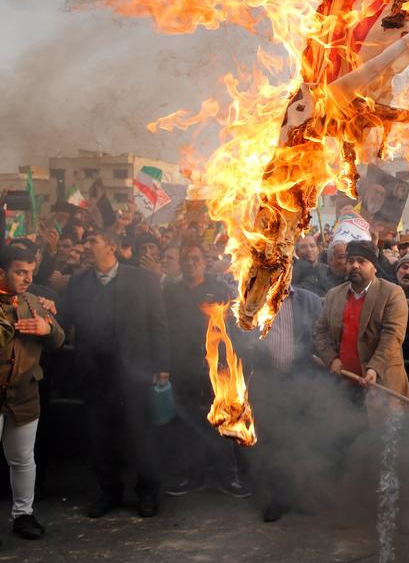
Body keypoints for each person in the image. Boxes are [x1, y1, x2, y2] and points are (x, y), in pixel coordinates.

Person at [61, 229, 170, 518]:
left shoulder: (142, 279)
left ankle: (147, 493)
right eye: (85, 241)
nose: (86, 246)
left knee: (141, 436)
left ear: (110, 245)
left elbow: (157, 324)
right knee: (100, 438)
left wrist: (161, 366)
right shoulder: (79, 282)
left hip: (135, 373)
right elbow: (65, 318)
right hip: (95, 374)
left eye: (92, 241)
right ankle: (108, 492)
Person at [161, 243, 249, 499]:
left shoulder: (218, 288)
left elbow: (232, 326)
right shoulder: (170, 292)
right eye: (186, 258)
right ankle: (193, 476)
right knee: (187, 423)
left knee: (224, 420)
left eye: (195, 258)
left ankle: (228, 476)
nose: (190, 262)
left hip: (217, 368)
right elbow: (163, 329)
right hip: (183, 367)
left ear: (203, 262)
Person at [0, 246, 65, 540]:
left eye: (30, 272)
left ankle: (23, 514)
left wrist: (46, 329)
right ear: (3, 272)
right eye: (19, 272)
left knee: (23, 459)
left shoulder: (33, 302)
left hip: (24, 394)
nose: (27, 278)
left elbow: (60, 339)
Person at [312, 240, 409, 422]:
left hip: (381, 383)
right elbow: (321, 331)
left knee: (384, 441)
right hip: (345, 385)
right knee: (348, 438)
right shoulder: (335, 294)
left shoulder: (392, 293)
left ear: (374, 267)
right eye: (351, 261)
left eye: (362, 261)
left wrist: (374, 368)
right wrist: (331, 358)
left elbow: (392, 335)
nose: (355, 266)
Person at [247, 285, 323, 522]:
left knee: (303, 437)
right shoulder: (253, 298)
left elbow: (321, 335)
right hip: (268, 380)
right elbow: (245, 336)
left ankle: (303, 495)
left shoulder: (308, 300)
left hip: (301, 380)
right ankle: (279, 497)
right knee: (274, 439)